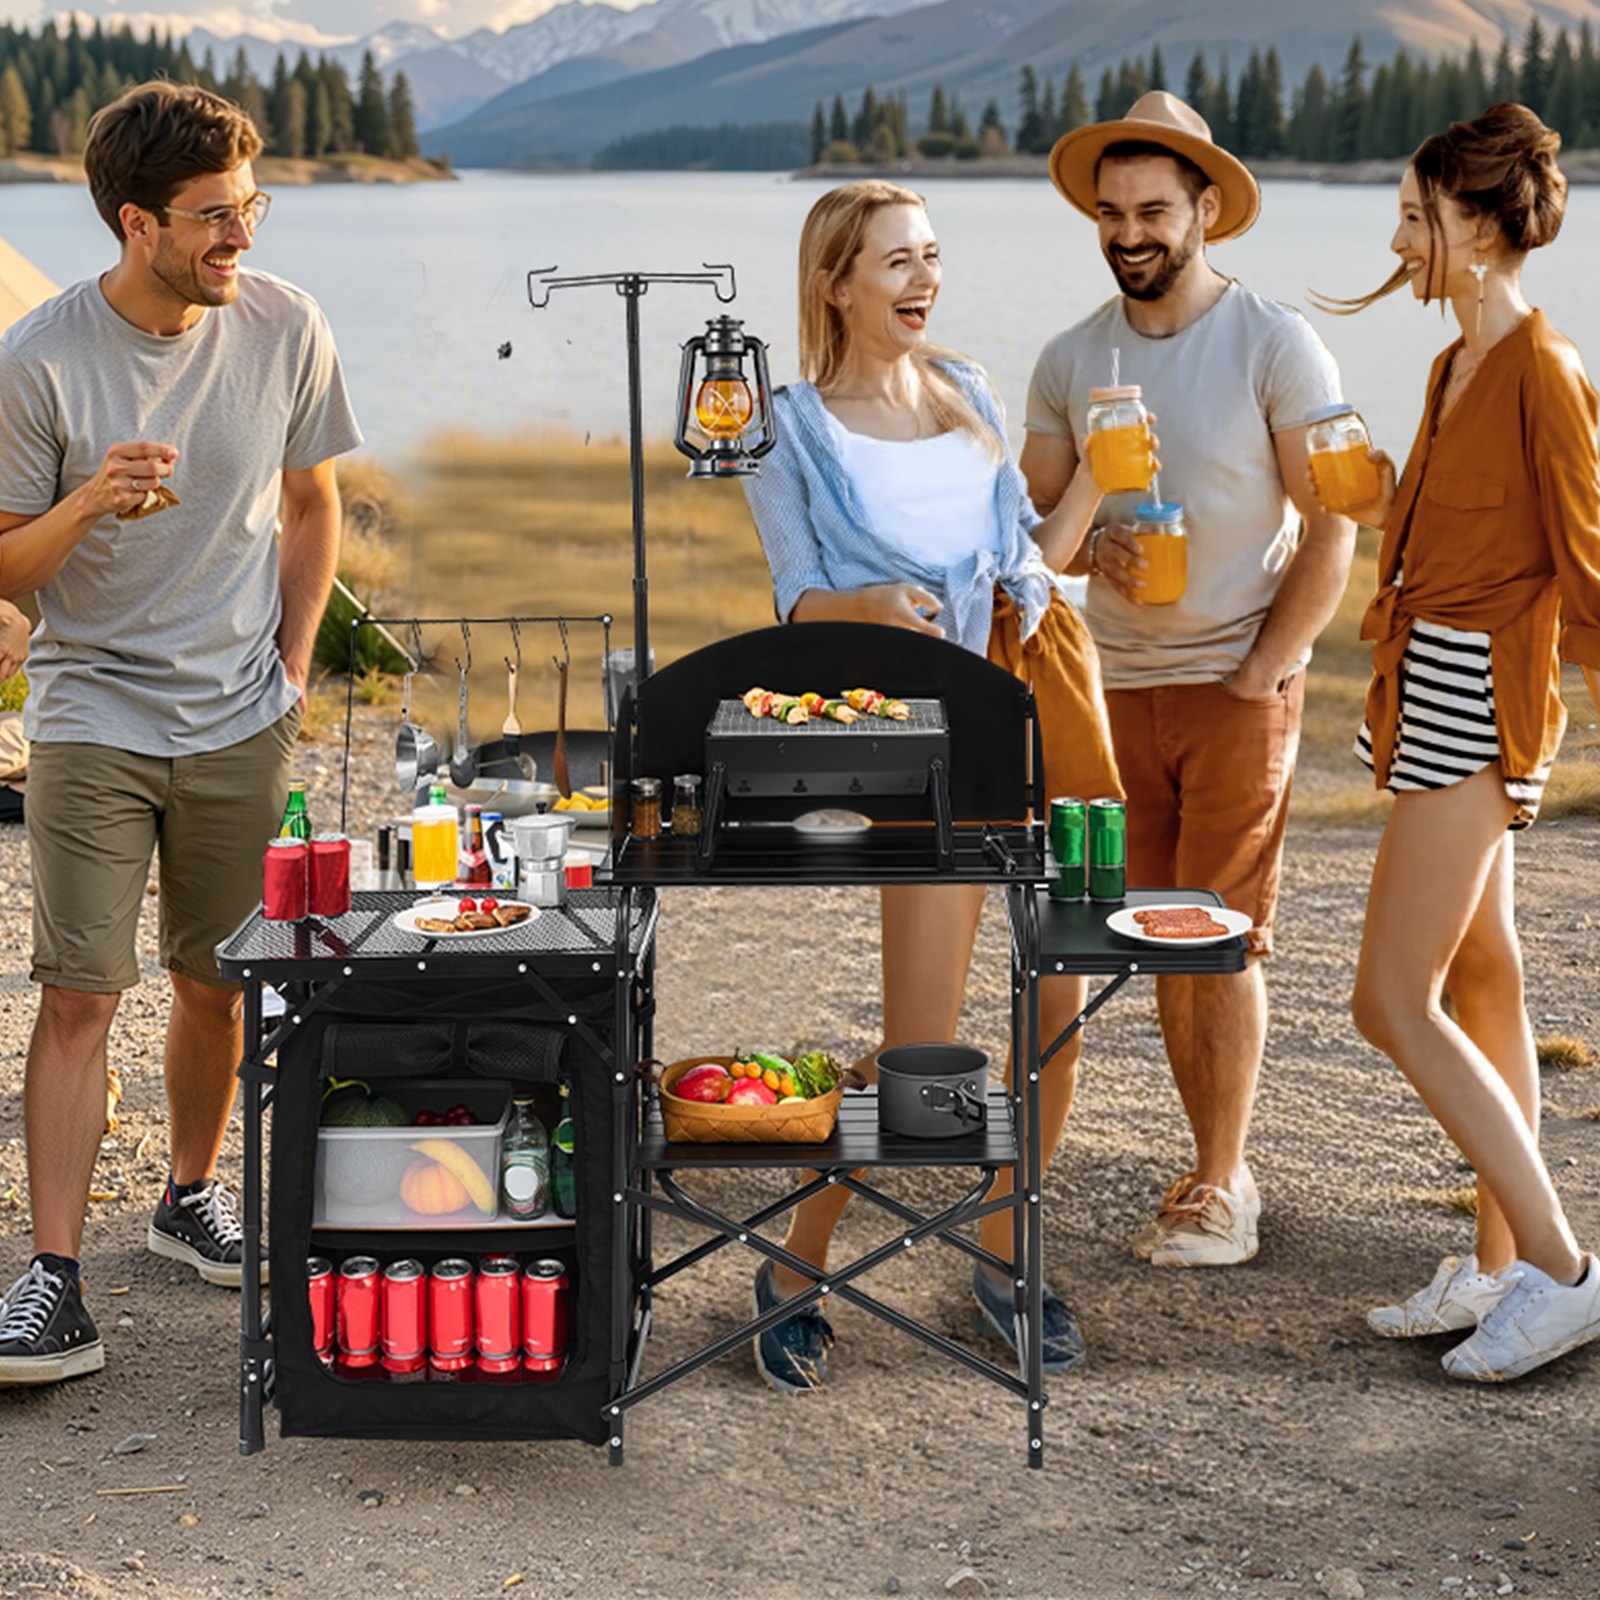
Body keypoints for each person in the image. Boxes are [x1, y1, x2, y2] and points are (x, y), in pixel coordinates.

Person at [0, 81, 361, 1387]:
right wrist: (92, 497)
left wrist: (297, 657)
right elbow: (6, 566)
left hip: (239, 715)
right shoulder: (40, 358)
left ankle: (187, 1196)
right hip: (93, 707)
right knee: (83, 991)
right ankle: (51, 1280)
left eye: (251, 208)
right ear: (137, 221)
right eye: (217, 217)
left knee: (217, 982)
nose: (244, 238)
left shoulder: (286, 328)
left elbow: (314, 503)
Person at [741, 179, 1125, 1390]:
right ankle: (793, 1269)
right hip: (910, 750)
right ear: (835, 282)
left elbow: (1031, 567)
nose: (923, 280)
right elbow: (794, 593)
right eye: (896, 261)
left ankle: (1006, 1258)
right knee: (923, 1048)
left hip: (1035, 719)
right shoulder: (784, 422)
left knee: (1057, 1006)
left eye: (932, 256)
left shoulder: (966, 392)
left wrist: (1101, 488)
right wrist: (861, 607)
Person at [1020, 92, 1356, 1268]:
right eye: (1109, 212)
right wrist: (1091, 526)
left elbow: (1330, 527)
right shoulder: (1071, 356)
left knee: (1217, 937)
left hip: (1231, 677)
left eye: (1153, 209)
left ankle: (1221, 1183)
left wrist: (1265, 669)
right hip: (1103, 686)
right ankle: (1115, 1172)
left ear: (1206, 208)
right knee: (1122, 929)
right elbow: (1030, 537)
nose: (1129, 233)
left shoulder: (1273, 342)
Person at [1313, 103, 1600, 1379]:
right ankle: (1496, 1270)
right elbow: (1449, 538)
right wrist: (1380, 496)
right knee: (1483, 982)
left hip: (1483, 710)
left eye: (1418, 217)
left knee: (1389, 999)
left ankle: (1562, 1269)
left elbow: (1585, 570)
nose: (1400, 239)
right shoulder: (1451, 366)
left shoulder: (1545, 366)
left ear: (1479, 226)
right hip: (1424, 689)